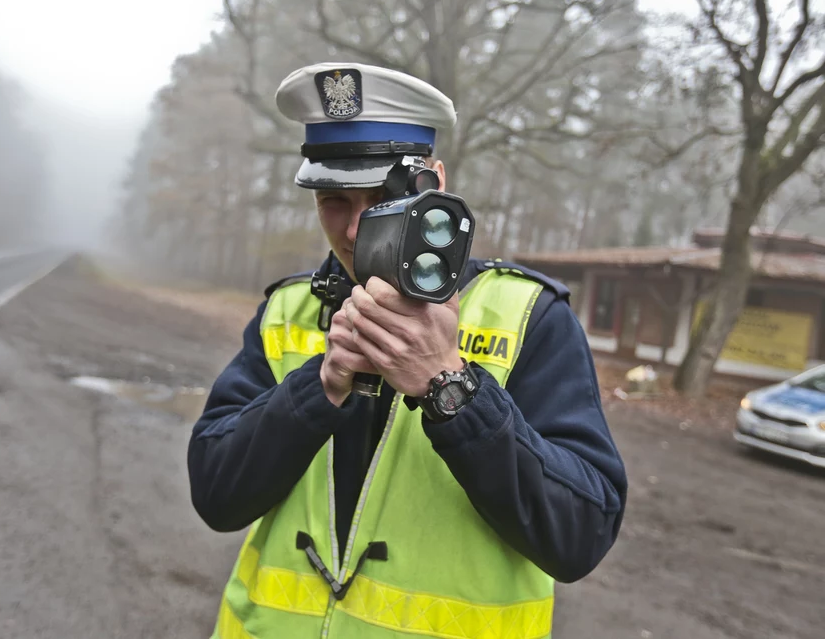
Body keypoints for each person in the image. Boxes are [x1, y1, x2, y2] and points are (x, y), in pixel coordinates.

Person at [188, 62, 627, 639]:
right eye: (333, 201)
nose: (351, 230)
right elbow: (217, 498)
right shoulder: (287, 311)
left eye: (379, 199)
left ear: (433, 185)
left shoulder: (529, 318)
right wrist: (317, 386)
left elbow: (579, 537)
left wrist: (453, 389)